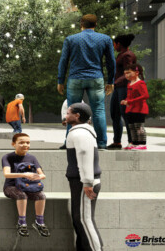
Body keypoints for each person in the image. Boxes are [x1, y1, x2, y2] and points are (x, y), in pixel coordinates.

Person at [57, 15, 115, 149]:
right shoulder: (105, 39)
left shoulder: (71, 39)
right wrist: (110, 81)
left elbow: (64, 61)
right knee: (98, 110)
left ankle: (69, 142)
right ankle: (101, 143)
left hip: (75, 78)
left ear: (81, 24)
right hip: (96, 77)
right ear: (95, 24)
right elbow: (111, 62)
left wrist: (60, 80)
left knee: (72, 111)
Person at [63, 102, 103, 251]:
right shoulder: (80, 131)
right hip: (80, 182)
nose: (66, 116)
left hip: (84, 183)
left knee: (84, 220)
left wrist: (87, 182)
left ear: (77, 115)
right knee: (78, 219)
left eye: (68, 113)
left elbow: (84, 155)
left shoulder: (80, 133)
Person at [3, 132, 50, 237]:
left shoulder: (32, 158)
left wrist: (37, 176)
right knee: (21, 195)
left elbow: (42, 175)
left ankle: (39, 222)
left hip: (29, 186)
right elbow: (6, 174)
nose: (25, 145)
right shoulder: (7, 157)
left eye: (28, 143)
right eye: (21, 142)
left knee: (41, 195)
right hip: (11, 187)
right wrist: (23, 174)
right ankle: (22, 223)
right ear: (13, 144)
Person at [108, 34, 138, 150]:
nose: (114, 46)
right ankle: (117, 142)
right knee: (115, 113)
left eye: (114, 44)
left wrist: (114, 83)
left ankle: (132, 142)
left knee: (126, 114)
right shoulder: (122, 55)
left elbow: (129, 73)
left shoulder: (128, 56)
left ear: (119, 44)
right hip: (118, 88)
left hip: (125, 88)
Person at [119, 66, 149, 150]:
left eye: (129, 72)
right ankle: (134, 143)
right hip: (130, 109)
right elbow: (129, 96)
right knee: (131, 127)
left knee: (139, 127)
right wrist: (125, 101)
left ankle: (142, 143)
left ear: (137, 73)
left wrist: (130, 101)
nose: (126, 75)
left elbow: (145, 95)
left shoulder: (140, 83)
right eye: (125, 73)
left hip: (139, 109)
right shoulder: (129, 84)